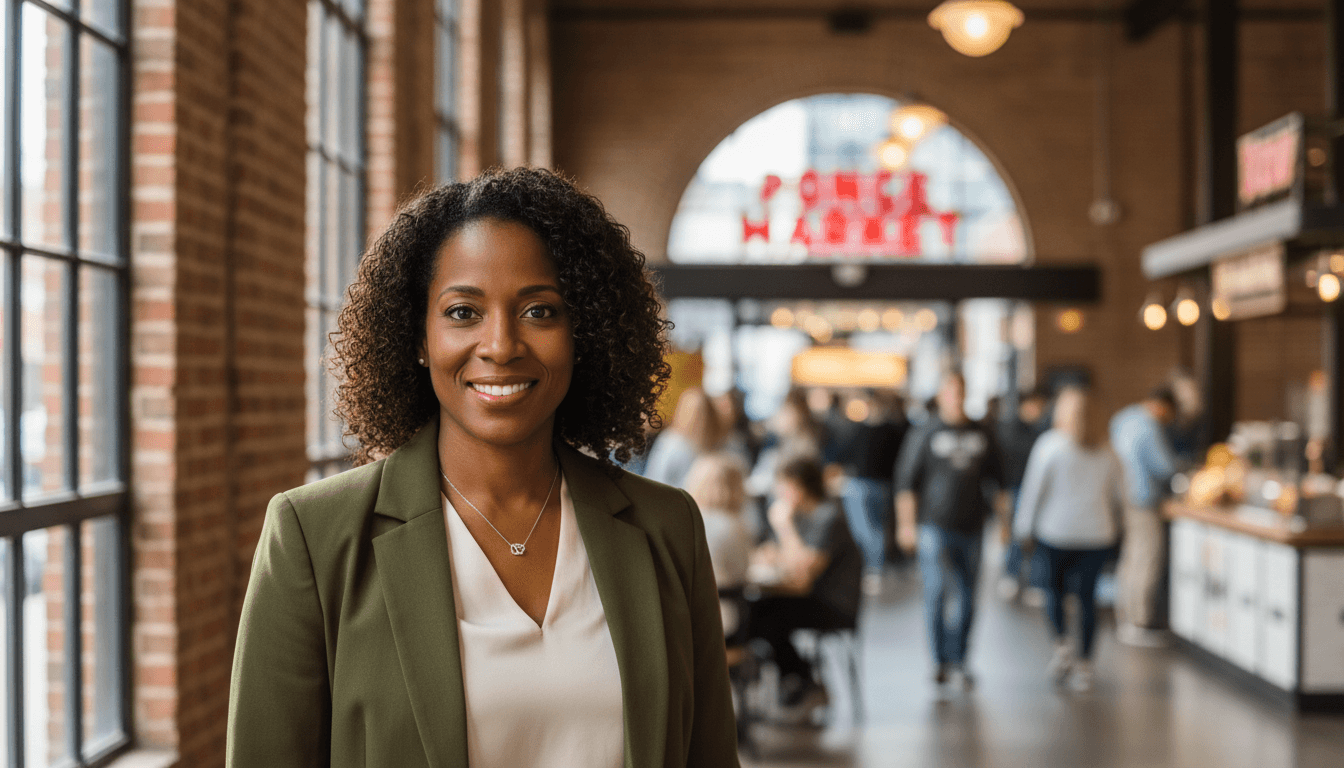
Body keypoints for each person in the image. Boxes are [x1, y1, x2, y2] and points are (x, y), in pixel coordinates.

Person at [227, 168, 739, 767]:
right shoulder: (314, 538)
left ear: (585, 333)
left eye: (541, 311)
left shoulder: (665, 526)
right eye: (463, 312)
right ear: (417, 336)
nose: (501, 344)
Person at [895, 371, 1007, 687]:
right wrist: (906, 525)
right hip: (934, 525)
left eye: (960, 391)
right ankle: (940, 660)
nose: (955, 397)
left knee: (969, 596)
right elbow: (907, 482)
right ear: (942, 395)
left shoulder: (982, 432)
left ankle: (960, 658)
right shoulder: (925, 431)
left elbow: (998, 481)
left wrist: (1004, 524)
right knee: (936, 592)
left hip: (972, 526)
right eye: (950, 392)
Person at [1013, 387, 1124, 692]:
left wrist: (1023, 528)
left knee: (1054, 592)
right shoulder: (1108, 450)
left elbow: (1033, 491)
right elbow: (1120, 496)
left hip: (1056, 533)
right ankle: (1085, 664)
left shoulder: (1050, 446)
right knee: (1088, 599)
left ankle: (1062, 645)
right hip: (1097, 534)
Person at [747, 456, 863, 723]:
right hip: (807, 600)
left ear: (799, 487)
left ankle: (803, 682)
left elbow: (804, 576)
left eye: (783, 486)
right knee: (758, 611)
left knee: (765, 616)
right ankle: (798, 680)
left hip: (834, 606)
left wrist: (783, 527)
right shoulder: (803, 516)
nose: (779, 494)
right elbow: (787, 557)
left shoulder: (828, 517)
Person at [1109, 386, 1180, 647]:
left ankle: (1125, 615)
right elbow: (1164, 466)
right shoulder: (1148, 427)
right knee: (1147, 557)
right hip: (1143, 500)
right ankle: (1139, 621)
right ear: (1162, 406)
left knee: (1130, 557)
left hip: (1122, 495)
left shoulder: (1123, 419)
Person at [834, 390, 908, 589]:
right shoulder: (888, 430)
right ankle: (873, 568)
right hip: (877, 485)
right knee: (873, 528)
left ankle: (873, 568)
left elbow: (842, 454)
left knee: (868, 529)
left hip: (869, 486)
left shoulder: (872, 431)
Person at [684, 453, 754, 638]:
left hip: (686, 616)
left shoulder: (685, 522)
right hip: (723, 616)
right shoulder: (735, 525)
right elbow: (742, 573)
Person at [996, 388, 1050, 601]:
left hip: (1035, 490)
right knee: (1018, 535)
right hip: (1016, 488)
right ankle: (1011, 575)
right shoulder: (1011, 429)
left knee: (1037, 536)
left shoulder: (1039, 429)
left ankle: (1035, 581)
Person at [643, 386, 724, 489]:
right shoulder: (671, 443)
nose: (698, 419)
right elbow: (654, 480)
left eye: (702, 413)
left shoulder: (720, 443)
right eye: (693, 412)